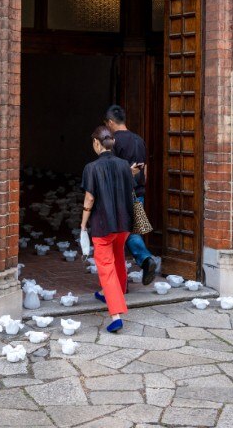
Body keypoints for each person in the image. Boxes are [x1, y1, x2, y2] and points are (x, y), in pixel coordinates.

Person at [80, 125, 137, 333]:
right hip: (124, 223)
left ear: (96, 143)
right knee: (118, 257)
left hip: (103, 224)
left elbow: (90, 198)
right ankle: (112, 293)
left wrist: (83, 223)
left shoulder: (91, 167)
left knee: (106, 267)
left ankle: (116, 315)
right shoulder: (124, 165)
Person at [105, 105, 158, 286]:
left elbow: (111, 170)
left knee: (123, 230)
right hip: (138, 192)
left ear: (110, 122)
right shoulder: (139, 140)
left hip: (121, 193)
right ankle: (141, 263)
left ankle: (144, 259)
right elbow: (145, 170)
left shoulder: (113, 141)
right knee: (131, 229)